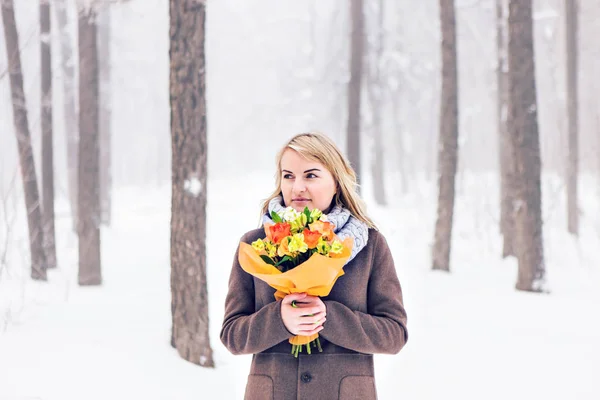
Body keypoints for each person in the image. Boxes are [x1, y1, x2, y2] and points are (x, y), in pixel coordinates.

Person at [220, 132, 408, 400]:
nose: (297, 187)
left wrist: (328, 317)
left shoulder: (370, 246)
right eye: (288, 176)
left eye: (310, 175)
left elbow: (394, 335)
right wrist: (279, 319)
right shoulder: (255, 244)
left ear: (336, 181)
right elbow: (232, 335)